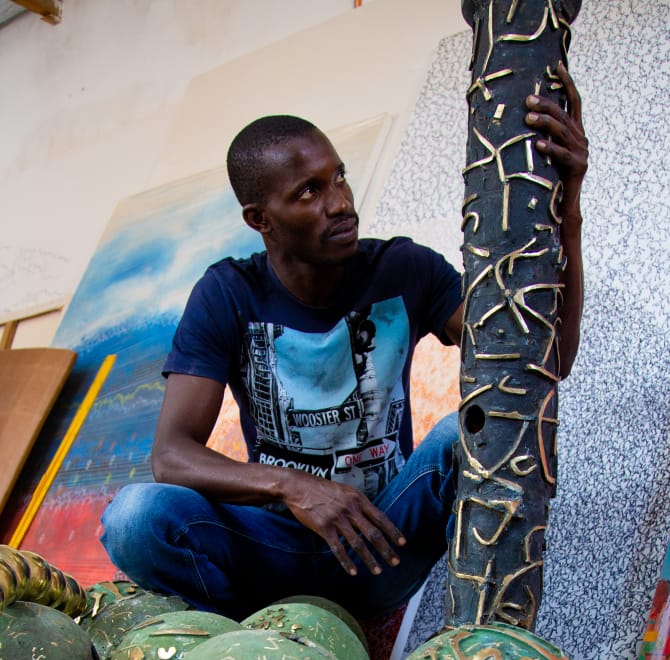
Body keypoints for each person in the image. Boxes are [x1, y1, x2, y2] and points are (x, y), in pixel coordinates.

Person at [101, 65, 588, 622]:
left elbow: (543, 364)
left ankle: (476, 634)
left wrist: (567, 205)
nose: (340, 203)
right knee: (134, 518)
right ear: (261, 219)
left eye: (340, 177)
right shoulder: (227, 293)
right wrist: (293, 488)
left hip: (381, 539)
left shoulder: (405, 269)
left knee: (472, 430)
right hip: (275, 543)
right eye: (309, 191)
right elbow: (171, 454)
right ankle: (254, 630)